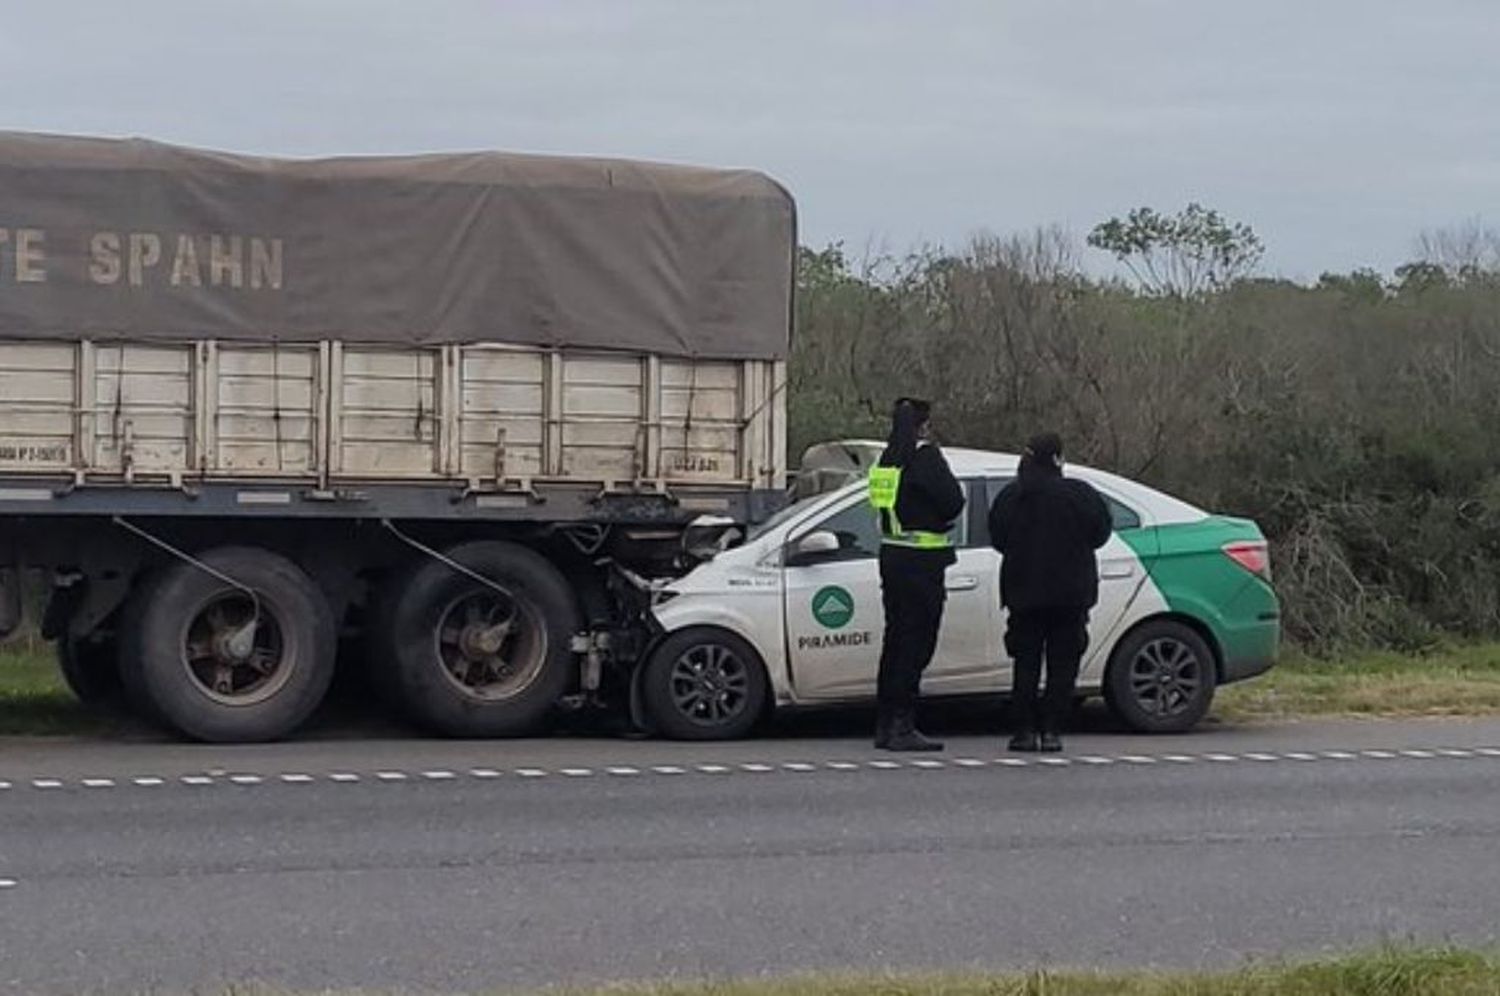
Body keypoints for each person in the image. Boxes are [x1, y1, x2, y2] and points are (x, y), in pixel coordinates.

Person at [988, 432, 1112, 753]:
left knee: (1025, 663)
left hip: (1023, 594)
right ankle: (1053, 729)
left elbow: (998, 538)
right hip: (1070, 595)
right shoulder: (1080, 496)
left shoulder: (1012, 497)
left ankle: (1023, 731)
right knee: (1063, 665)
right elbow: (1101, 533)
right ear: (1058, 459)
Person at [868, 397, 966, 751]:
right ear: (924, 426)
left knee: (894, 643)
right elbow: (953, 500)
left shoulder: (886, 460)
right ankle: (903, 726)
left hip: (892, 556)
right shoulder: (925, 457)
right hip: (922, 562)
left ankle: (885, 723)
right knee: (916, 644)